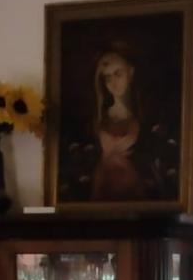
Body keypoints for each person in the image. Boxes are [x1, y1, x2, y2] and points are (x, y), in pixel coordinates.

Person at [58, 41, 179, 203]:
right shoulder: (95, 122)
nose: (113, 82)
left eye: (118, 74)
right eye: (108, 77)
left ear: (131, 73)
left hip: (137, 200)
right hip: (98, 197)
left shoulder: (148, 123)